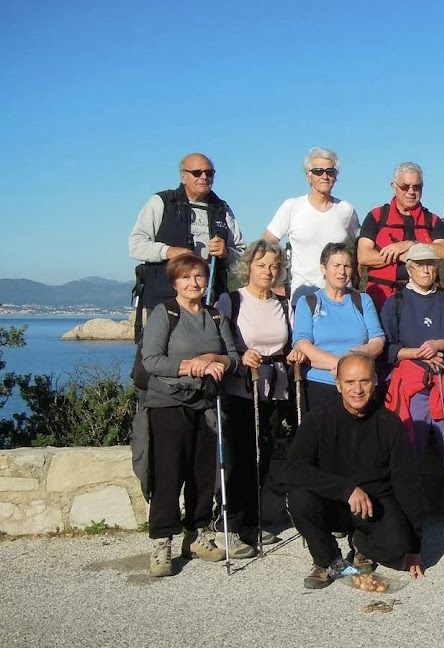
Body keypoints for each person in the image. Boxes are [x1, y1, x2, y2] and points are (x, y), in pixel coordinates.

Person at [282, 353, 425, 589]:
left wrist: (414, 546)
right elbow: (294, 468)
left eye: (364, 381)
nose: (357, 390)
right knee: (299, 498)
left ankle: (360, 543)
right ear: (338, 384)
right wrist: (345, 489)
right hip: (333, 501)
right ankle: (326, 560)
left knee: (399, 547)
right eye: (349, 382)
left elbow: (407, 483)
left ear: (375, 381)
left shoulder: (389, 423)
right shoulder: (318, 419)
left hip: (374, 505)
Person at [139, 254, 241, 578]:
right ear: (175, 283)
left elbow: (234, 358)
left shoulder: (215, 317)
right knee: (169, 474)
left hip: (206, 403)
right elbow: (151, 360)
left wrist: (214, 359)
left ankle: (198, 535)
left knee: (202, 473)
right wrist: (191, 366)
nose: (193, 283)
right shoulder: (164, 314)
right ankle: (161, 543)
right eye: (186, 278)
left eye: (198, 276)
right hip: (167, 404)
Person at [380, 244, 444, 525]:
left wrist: (439, 344)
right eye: (420, 264)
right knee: (411, 446)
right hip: (413, 387)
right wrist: (418, 353)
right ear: (409, 268)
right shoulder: (396, 303)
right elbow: (387, 348)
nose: (426, 269)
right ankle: (408, 508)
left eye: (431, 264)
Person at [215, 239, 306, 555]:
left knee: (263, 455)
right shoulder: (231, 301)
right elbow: (219, 343)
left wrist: (295, 352)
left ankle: (252, 522)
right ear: (248, 267)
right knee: (243, 456)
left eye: (273, 266)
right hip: (244, 389)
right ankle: (235, 524)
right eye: (261, 265)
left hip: (277, 389)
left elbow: (294, 340)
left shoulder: (283, 304)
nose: (268, 271)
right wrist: (241, 355)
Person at [129, 152, 245, 340]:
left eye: (209, 173)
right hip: (165, 302)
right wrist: (168, 251)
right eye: (197, 172)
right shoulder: (162, 202)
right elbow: (136, 245)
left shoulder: (222, 209)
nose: (204, 177)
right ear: (183, 176)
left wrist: (226, 253)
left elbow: (243, 257)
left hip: (210, 302)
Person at [292, 242, 385, 412]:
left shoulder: (363, 301)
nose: (342, 271)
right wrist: (343, 366)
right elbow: (301, 343)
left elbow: (378, 340)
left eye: (347, 266)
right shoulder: (308, 302)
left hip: (359, 389)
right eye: (336, 265)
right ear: (323, 269)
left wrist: (352, 361)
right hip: (319, 386)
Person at [263, 147, 360, 303]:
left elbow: (361, 244)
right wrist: (274, 279)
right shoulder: (292, 207)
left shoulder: (346, 209)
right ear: (308, 176)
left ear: (336, 176)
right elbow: (267, 242)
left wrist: (355, 276)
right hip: (303, 299)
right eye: (318, 171)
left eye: (330, 171)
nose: (324, 176)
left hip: (340, 298)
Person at [358, 162, 444, 310]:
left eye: (417, 187)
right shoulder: (376, 217)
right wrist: (400, 256)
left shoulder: (432, 220)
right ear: (393, 187)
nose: (411, 192)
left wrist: (411, 245)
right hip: (382, 300)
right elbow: (363, 256)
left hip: (426, 301)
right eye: (405, 187)